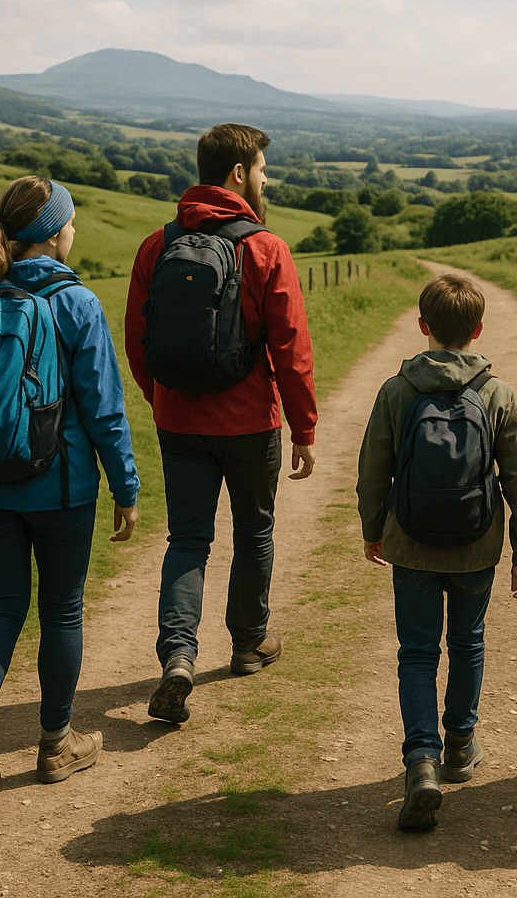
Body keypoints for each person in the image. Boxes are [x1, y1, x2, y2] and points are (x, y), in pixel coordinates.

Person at [0, 176, 140, 826]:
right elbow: (105, 410)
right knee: (62, 611)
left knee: (1, 607)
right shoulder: (76, 302)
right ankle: (55, 744)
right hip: (62, 489)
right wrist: (126, 488)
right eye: (70, 221)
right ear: (55, 232)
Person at [125, 123, 317, 724]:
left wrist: (163, 399)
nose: (266, 179)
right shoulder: (265, 248)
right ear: (238, 173)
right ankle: (247, 643)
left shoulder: (157, 246)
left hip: (179, 420)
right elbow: (290, 346)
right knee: (254, 531)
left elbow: (138, 341)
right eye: (262, 169)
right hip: (249, 422)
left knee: (187, 539)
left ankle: (178, 656)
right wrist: (303, 428)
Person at [357, 274, 517, 831]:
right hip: (477, 545)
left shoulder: (397, 390)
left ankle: (421, 761)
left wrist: (374, 528)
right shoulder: (497, 393)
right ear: (478, 330)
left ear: (422, 328)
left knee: (416, 652)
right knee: (467, 642)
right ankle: (460, 743)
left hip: (410, 545)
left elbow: (373, 470)